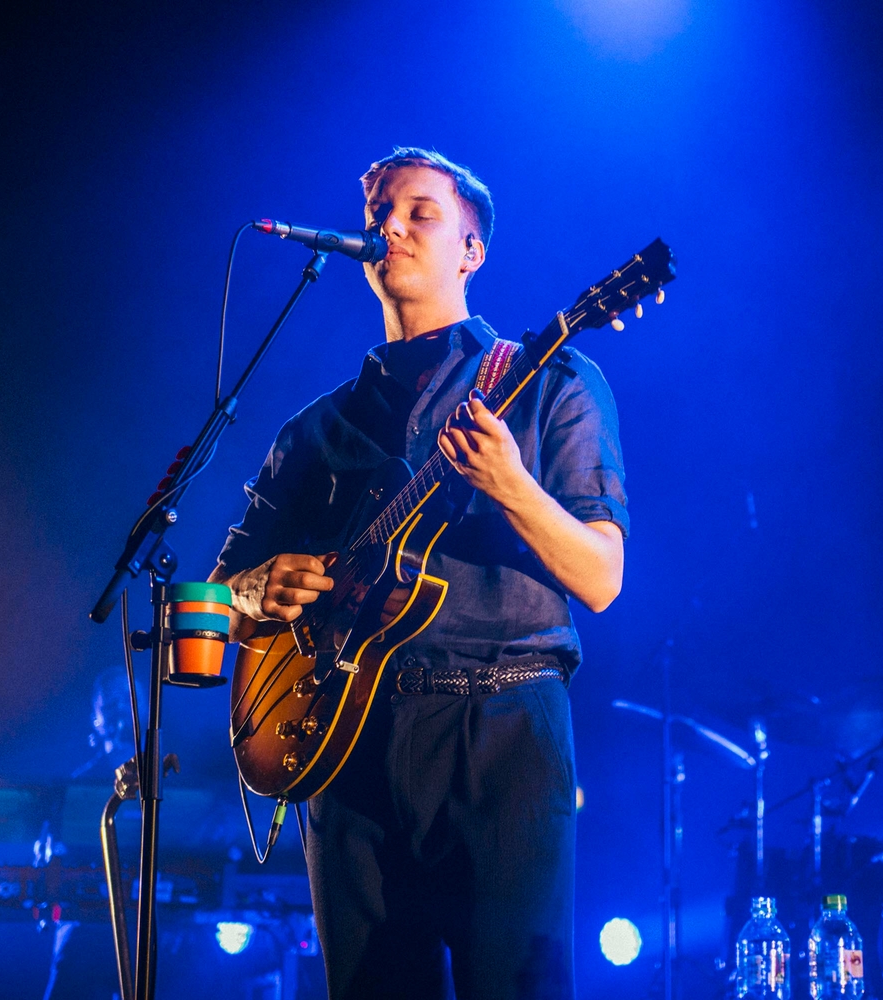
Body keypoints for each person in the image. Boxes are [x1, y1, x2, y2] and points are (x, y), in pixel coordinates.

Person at [210, 147, 628, 1000]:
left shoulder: (553, 382)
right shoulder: (314, 429)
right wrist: (254, 592)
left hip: (502, 728)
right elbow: (215, 599)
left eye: (419, 213)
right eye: (377, 214)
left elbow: (601, 576)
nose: (387, 228)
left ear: (472, 250)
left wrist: (512, 485)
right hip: (343, 741)